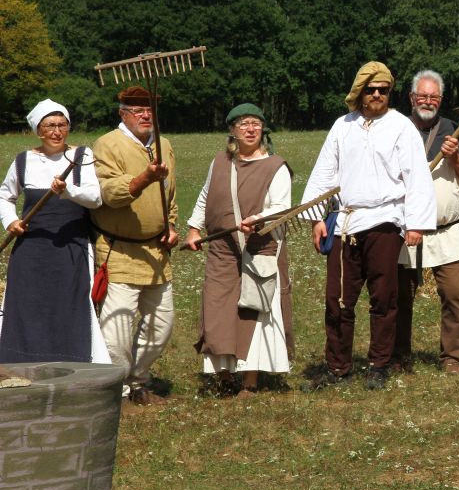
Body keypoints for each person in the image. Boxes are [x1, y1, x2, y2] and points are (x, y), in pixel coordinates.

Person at [303, 61, 436, 390]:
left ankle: (379, 364)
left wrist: (416, 224)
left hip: (385, 221)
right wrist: (317, 218)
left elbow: (417, 177)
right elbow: (324, 173)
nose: (377, 95)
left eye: (383, 90)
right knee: (337, 299)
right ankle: (338, 366)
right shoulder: (342, 126)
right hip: (345, 223)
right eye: (371, 90)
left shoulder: (401, 127)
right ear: (360, 92)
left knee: (383, 298)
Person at [183, 104, 294, 397]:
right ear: (233, 130)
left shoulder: (276, 167)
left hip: (259, 250)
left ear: (263, 129)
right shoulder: (220, 162)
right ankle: (224, 377)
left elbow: (282, 207)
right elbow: (205, 196)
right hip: (221, 251)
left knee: (252, 315)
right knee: (217, 311)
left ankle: (249, 382)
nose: (250, 129)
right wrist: (194, 228)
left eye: (256, 123)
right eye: (244, 123)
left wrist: (258, 220)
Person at [0, 99, 109, 363]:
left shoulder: (82, 156)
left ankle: (73, 362)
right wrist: (11, 221)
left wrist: (67, 191)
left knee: (70, 303)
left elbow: (95, 198)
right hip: (31, 249)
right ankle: (21, 362)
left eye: (62, 125)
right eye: (49, 126)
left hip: (72, 247)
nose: (57, 132)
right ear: (38, 130)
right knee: (28, 303)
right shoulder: (24, 161)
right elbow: (4, 196)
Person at [393, 70, 459, 375]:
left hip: (446, 231)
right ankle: (399, 355)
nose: (427, 101)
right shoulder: (396, 129)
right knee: (399, 297)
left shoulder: (454, 132)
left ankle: (452, 357)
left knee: (454, 295)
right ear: (411, 97)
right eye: (422, 95)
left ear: (441, 100)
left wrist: (455, 156)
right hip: (405, 230)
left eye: (433, 96)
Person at [91, 86, 178, 405]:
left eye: (150, 108)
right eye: (138, 110)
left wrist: (172, 226)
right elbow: (109, 194)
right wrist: (143, 178)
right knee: (116, 332)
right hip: (120, 251)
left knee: (161, 326)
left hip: (156, 253)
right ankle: (118, 390)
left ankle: (138, 379)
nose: (145, 115)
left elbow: (170, 195)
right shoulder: (107, 144)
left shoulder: (163, 144)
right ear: (122, 113)